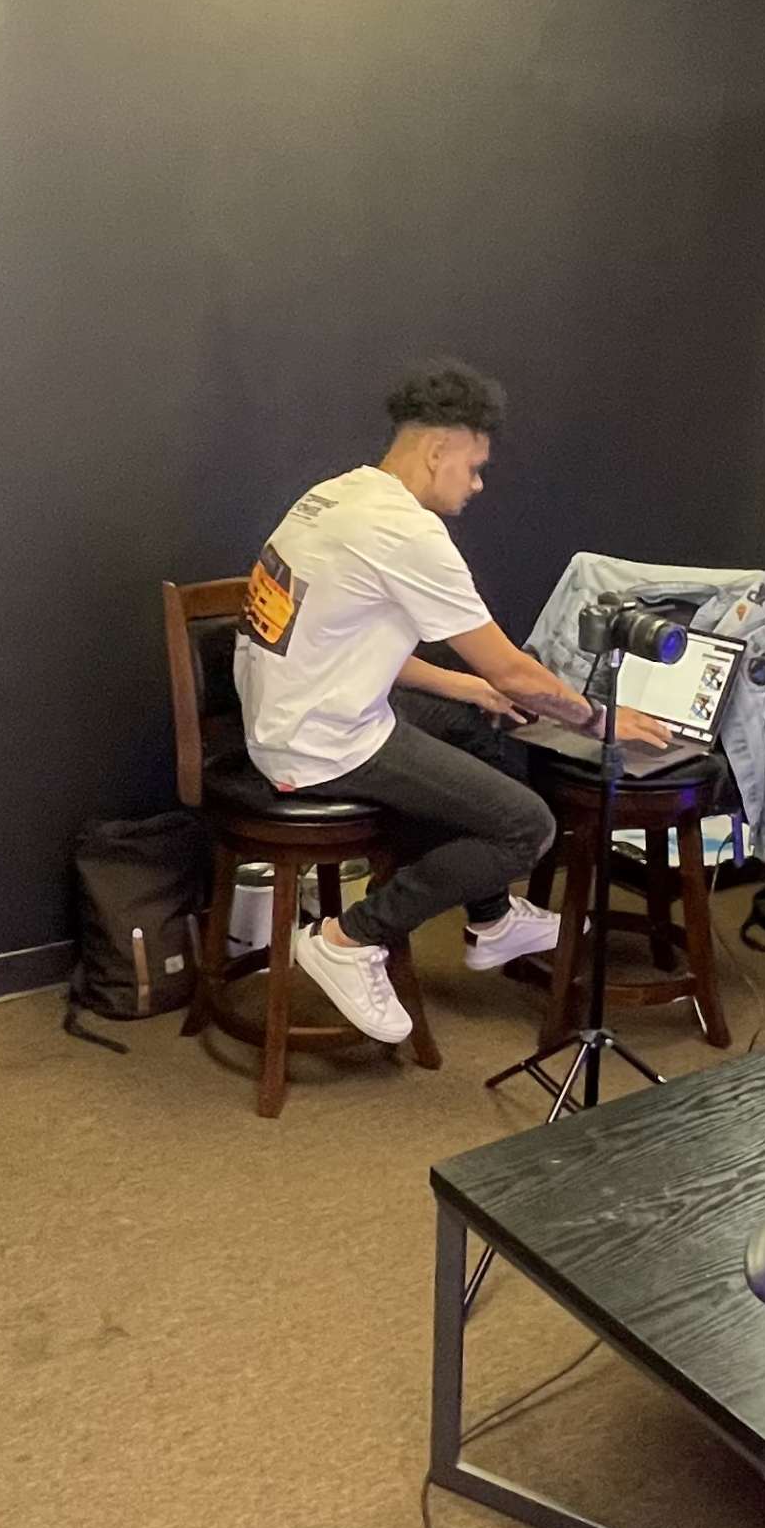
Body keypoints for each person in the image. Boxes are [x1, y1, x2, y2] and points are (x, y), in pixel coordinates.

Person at [234, 360, 679, 1045]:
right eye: (473, 467)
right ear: (439, 448)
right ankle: (350, 939)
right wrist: (602, 721)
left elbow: (342, 645)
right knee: (526, 828)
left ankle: (492, 920)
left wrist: (470, 686)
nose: (475, 486)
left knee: (478, 716)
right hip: (320, 744)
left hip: (297, 712)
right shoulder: (406, 534)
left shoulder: (335, 497)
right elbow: (517, 672)